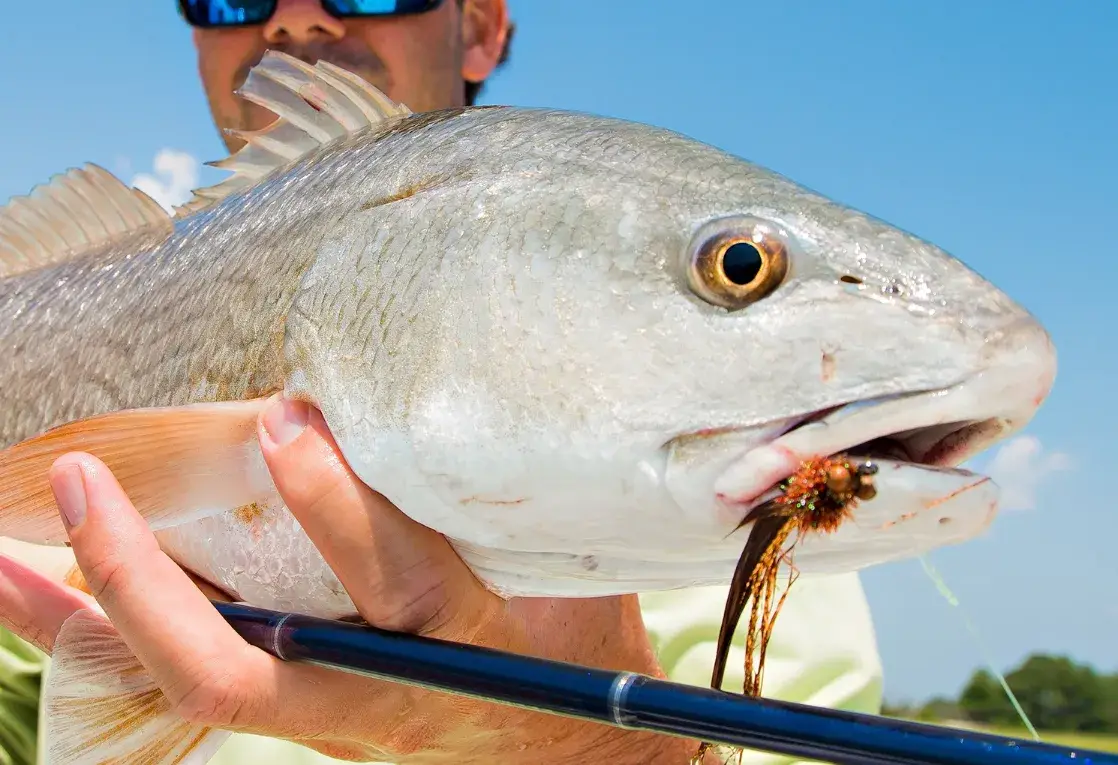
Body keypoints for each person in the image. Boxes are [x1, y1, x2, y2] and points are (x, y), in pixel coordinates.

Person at [0, 1, 884, 763]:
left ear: (483, 26)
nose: (296, 14)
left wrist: (581, 744)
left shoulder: (728, 490)